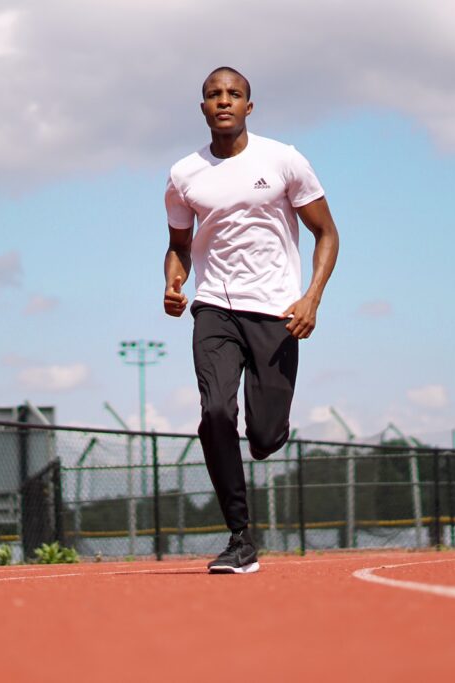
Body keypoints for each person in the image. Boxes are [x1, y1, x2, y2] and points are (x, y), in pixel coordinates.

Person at [163, 67, 340, 573]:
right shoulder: (183, 175)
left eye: (234, 94)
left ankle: (270, 431)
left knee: (262, 438)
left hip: (276, 313)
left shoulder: (283, 160)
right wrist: (174, 283)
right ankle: (239, 538)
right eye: (214, 95)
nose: (224, 102)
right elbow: (178, 246)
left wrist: (312, 299)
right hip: (214, 307)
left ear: (248, 106)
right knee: (216, 412)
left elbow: (327, 233)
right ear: (202, 107)